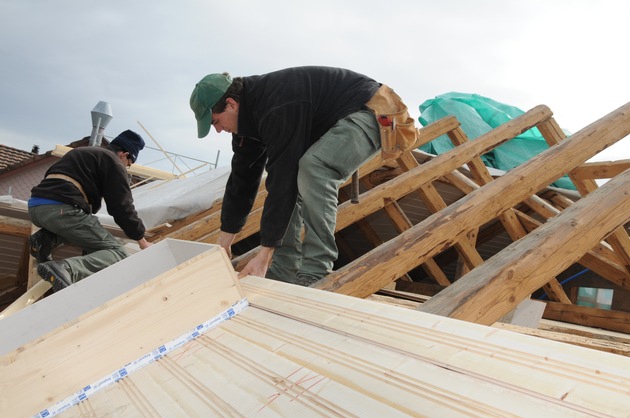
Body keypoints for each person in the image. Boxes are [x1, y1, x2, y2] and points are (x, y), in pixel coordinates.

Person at [190, 66, 385, 286]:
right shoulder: (246, 123)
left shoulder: (276, 105)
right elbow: (241, 182)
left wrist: (264, 254)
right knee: (289, 184)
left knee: (314, 169)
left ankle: (316, 269)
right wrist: (223, 244)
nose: (217, 130)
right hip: (338, 122)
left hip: (372, 113)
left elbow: (283, 175)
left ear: (231, 104)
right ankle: (284, 270)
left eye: (216, 121)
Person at [28, 129, 152, 292]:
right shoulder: (113, 162)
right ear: (124, 154)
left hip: (37, 207)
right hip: (62, 209)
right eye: (128, 164)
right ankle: (65, 268)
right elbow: (121, 206)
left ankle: (45, 240)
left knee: (83, 231)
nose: (126, 168)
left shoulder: (82, 152)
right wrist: (141, 240)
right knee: (117, 253)